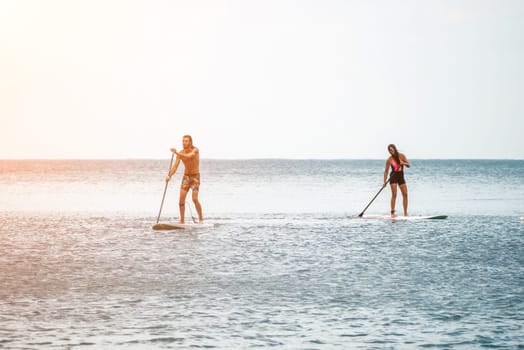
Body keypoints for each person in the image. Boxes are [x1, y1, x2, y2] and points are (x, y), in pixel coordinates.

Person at [165, 135, 204, 224]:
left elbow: (189, 156)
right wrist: (169, 176)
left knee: (194, 199)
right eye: (183, 141)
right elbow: (175, 167)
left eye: (186, 141)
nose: (184, 143)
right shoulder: (180, 153)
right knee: (181, 201)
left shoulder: (195, 150)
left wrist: (176, 153)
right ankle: (182, 221)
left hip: (195, 178)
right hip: (186, 177)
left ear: (190, 142)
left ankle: (201, 219)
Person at [384, 144, 410, 218]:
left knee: (405, 194)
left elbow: (408, 165)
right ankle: (392, 213)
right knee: (394, 194)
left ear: (395, 149)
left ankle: (405, 213)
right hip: (393, 177)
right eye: (389, 150)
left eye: (391, 150)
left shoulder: (402, 156)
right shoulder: (389, 159)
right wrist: (384, 181)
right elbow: (386, 171)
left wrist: (403, 163)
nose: (390, 151)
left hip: (401, 176)